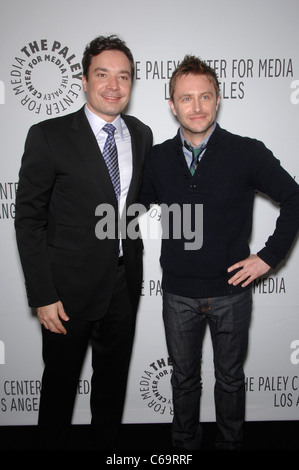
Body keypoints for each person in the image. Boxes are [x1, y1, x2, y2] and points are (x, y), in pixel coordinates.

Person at [140, 55, 299, 450]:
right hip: (178, 293)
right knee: (183, 379)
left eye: (205, 96)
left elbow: (294, 198)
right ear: (172, 104)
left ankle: (230, 444)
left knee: (230, 378)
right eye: (186, 98)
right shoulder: (157, 158)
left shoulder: (247, 152)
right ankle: (184, 446)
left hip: (231, 292)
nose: (197, 107)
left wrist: (268, 256)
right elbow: (130, 211)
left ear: (218, 99)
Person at [15, 35, 153, 450]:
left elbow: (135, 201)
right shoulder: (48, 135)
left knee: (111, 389)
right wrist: (42, 293)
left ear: (132, 82)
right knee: (58, 389)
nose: (114, 85)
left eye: (123, 76)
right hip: (65, 292)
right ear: (83, 79)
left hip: (123, 285)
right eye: (103, 74)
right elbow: (28, 219)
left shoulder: (142, 134)